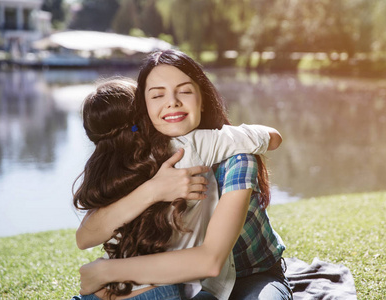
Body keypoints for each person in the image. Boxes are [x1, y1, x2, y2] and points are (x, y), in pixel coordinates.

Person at [76, 49, 293, 300]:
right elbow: (85, 237)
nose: (172, 102)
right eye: (157, 95)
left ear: (202, 97)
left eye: (185, 91)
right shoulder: (142, 159)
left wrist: (105, 271)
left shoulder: (234, 154)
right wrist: (153, 190)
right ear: (144, 108)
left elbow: (210, 260)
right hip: (185, 280)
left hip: (251, 274)